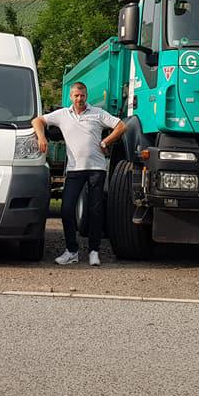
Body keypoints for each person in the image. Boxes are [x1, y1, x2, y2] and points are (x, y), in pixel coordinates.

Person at [32, 82, 126, 266]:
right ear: (70, 96)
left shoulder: (97, 113)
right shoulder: (62, 115)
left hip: (96, 169)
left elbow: (121, 126)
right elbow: (37, 120)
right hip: (75, 170)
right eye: (76, 95)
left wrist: (106, 141)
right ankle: (72, 251)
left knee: (95, 211)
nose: (79, 99)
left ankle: (94, 251)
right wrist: (41, 136)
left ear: (86, 95)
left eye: (82, 95)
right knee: (67, 210)